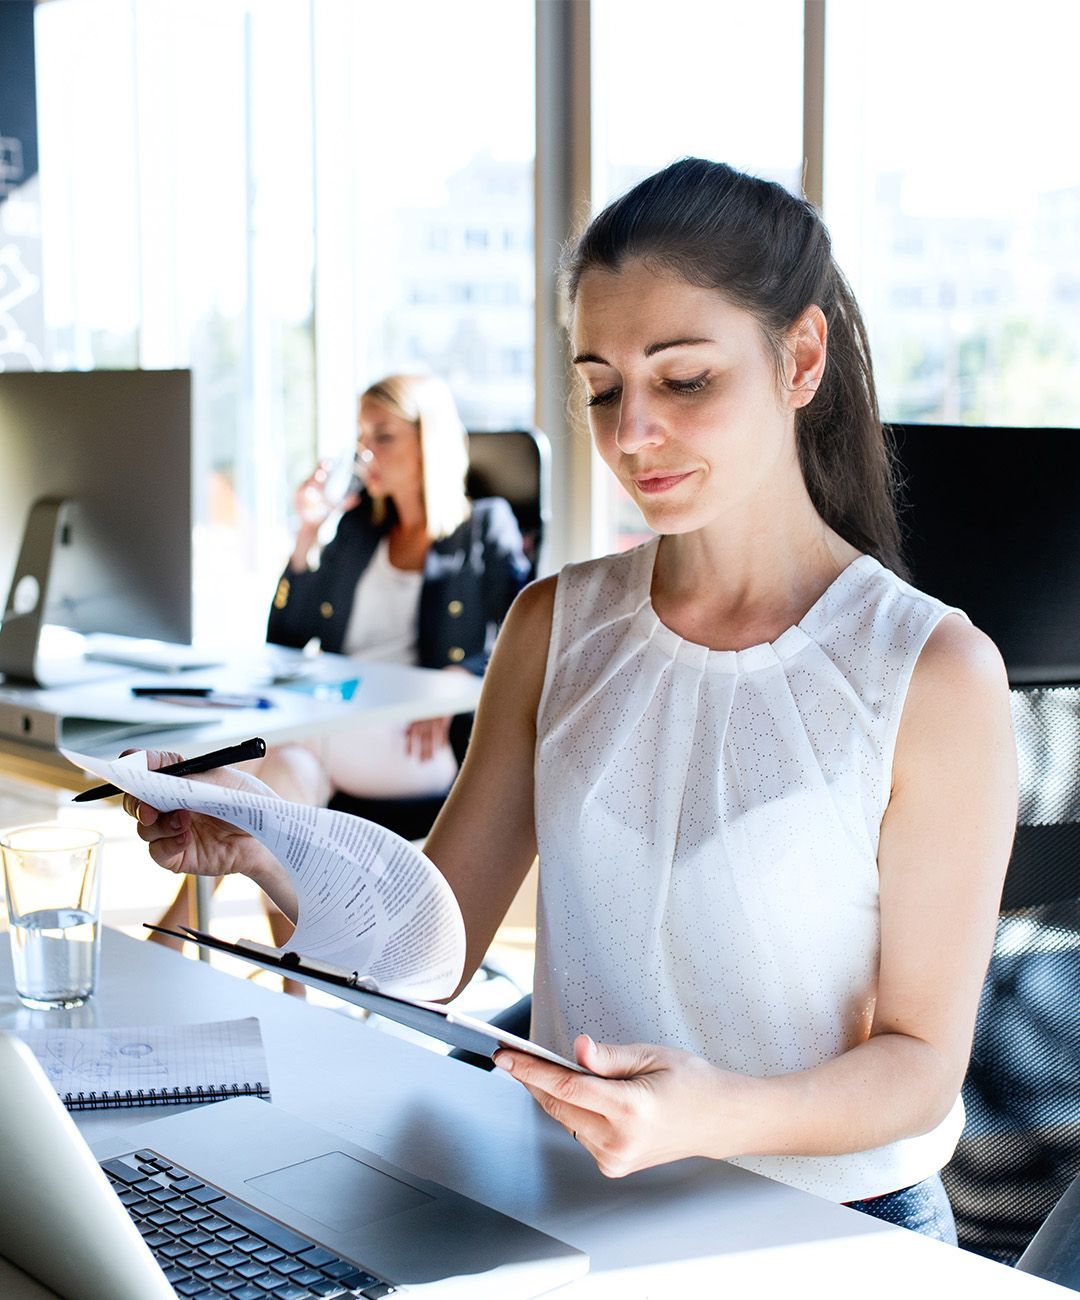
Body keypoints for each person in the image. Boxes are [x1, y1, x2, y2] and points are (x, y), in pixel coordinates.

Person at [125, 159, 1017, 1242]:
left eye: (683, 379)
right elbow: (432, 947)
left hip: (834, 1228)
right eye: (602, 386)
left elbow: (920, 1068)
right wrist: (263, 845)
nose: (631, 431)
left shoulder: (930, 672)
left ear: (800, 359)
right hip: (568, 1203)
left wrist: (710, 1112)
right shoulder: (554, 628)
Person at [153, 371, 530, 950]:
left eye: (382, 436)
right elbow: (287, 633)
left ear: (426, 439)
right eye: (361, 438)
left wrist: (459, 677)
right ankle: (299, 979)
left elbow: (520, 630)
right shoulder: (357, 528)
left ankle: (179, 923)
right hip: (332, 737)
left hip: (424, 745)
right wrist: (306, 532)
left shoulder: (485, 526)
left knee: (281, 745)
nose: (365, 453)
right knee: (285, 780)